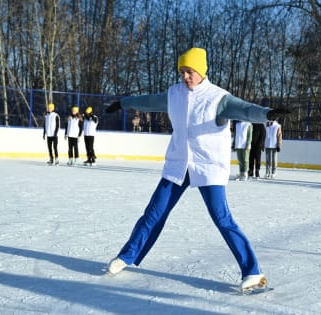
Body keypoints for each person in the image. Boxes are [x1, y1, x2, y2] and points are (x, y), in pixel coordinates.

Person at [105, 47, 289, 292]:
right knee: (153, 213)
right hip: (179, 164)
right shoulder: (175, 94)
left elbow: (244, 109)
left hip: (208, 165)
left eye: (189, 71)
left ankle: (253, 272)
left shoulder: (218, 98)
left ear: (201, 71)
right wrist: (123, 103)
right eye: (182, 71)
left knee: (222, 219)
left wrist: (266, 114)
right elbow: (149, 101)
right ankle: (127, 256)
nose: (185, 76)